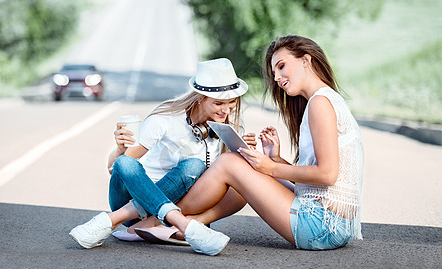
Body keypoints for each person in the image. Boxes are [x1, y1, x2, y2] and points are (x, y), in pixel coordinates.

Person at [153, 35, 364, 251]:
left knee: (229, 163)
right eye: (274, 73)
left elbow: (327, 175)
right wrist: (275, 159)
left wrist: (271, 168)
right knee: (244, 166)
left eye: (282, 66)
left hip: (320, 225)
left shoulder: (320, 102)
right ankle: (192, 224)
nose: (278, 78)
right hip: (332, 226)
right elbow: (316, 183)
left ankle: (158, 219)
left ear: (306, 60)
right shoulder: (324, 99)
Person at [69, 58, 253, 256]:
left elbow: (223, 176)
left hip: (182, 203)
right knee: (125, 162)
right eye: (218, 103)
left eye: (232, 102)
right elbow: (116, 168)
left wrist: (244, 151)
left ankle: (114, 221)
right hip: (136, 197)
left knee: (197, 167)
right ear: (200, 97)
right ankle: (182, 225)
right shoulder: (166, 119)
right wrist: (120, 149)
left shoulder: (229, 127)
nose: (226, 110)